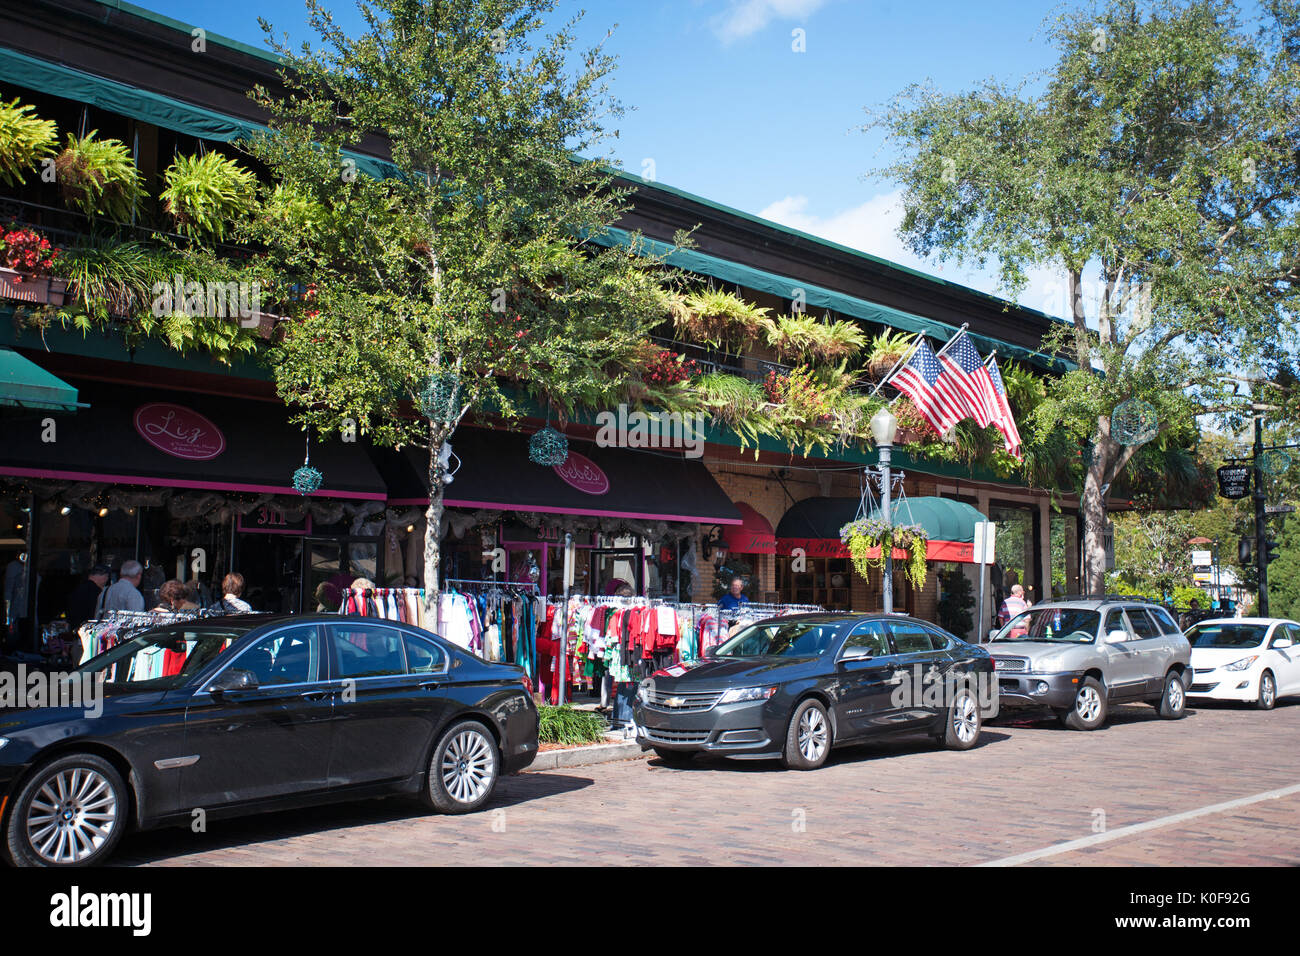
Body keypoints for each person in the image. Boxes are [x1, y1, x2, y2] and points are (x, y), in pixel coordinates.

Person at [67, 564, 111, 629]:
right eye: (107, 577)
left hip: (74, 627)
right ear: (104, 577)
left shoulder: (76, 588)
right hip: (88, 629)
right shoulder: (97, 592)